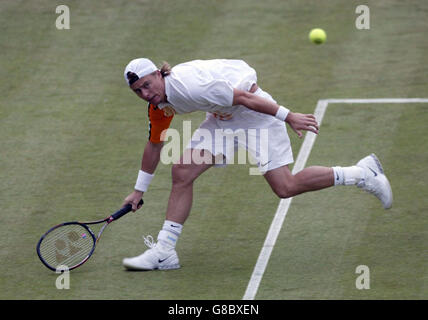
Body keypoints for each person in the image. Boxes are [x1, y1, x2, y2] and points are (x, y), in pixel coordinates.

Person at [120, 58, 393, 271]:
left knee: (285, 187)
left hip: (255, 114)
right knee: (182, 171)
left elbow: (246, 99)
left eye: (147, 84)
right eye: (137, 91)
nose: (145, 93)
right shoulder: (159, 105)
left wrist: (289, 116)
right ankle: (165, 251)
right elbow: (155, 144)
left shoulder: (189, 86)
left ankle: (362, 173)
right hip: (223, 117)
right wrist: (138, 191)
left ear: (159, 74)